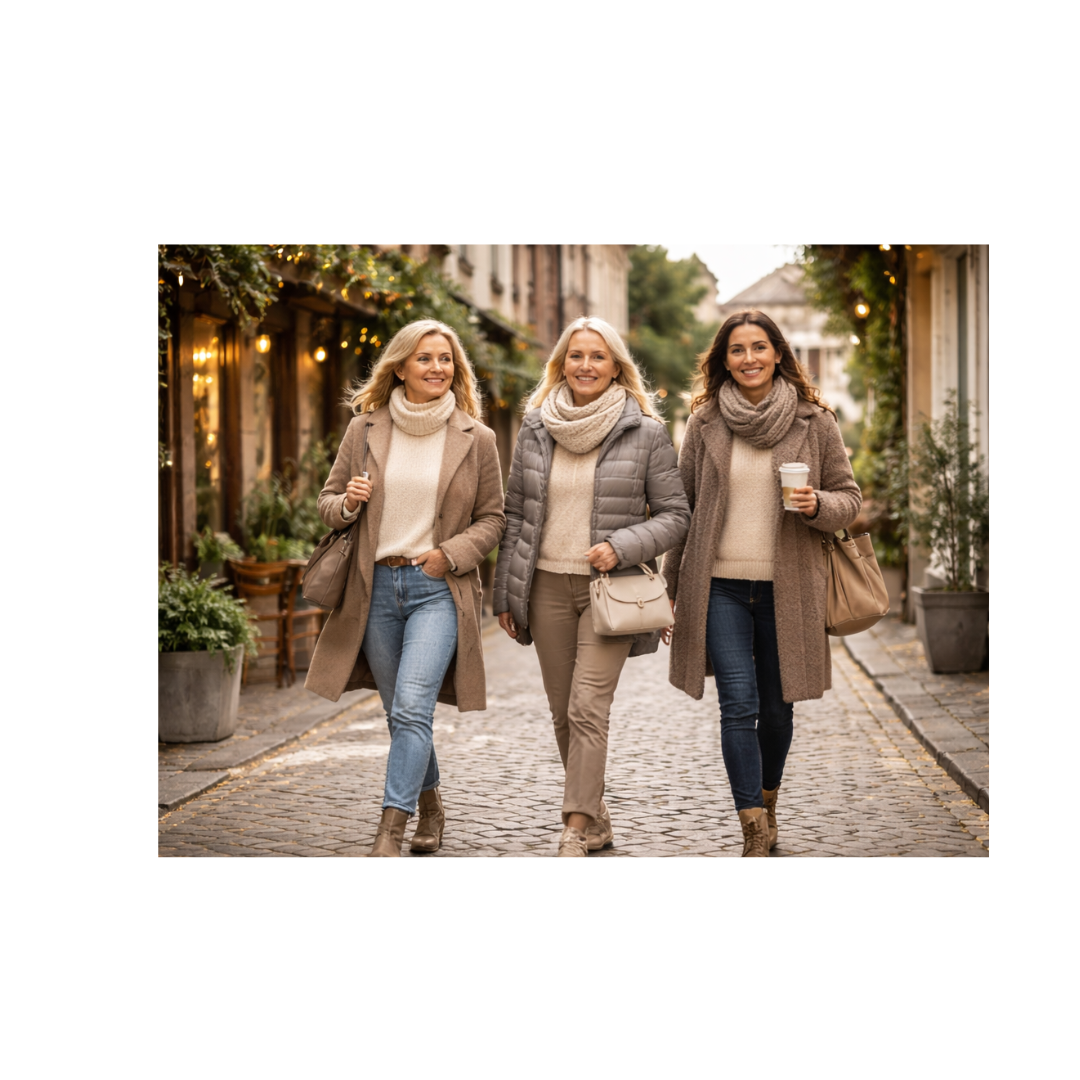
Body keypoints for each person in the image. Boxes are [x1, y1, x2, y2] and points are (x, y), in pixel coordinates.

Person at [664, 310, 861, 856]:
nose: (748, 358)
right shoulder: (704, 422)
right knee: (738, 704)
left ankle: (768, 795)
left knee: (778, 709)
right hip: (720, 585)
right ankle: (751, 822)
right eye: (736, 350)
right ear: (723, 360)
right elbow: (684, 508)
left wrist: (817, 502)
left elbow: (849, 499)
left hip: (788, 587)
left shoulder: (813, 422)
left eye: (758, 347)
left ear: (777, 353)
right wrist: (671, 587)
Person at [305, 319, 505, 857]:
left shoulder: (476, 437)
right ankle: (432, 807)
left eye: (445, 359)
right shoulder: (364, 430)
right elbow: (327, 503)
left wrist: (450, 556)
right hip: (373, 591)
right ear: (400, 367)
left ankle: (389, 831)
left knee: (414, 708)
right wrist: (347, 502)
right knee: (401, 714)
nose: (437, 367)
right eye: (425, 358)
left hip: (436, 588)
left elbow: (493, 519)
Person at [493, 316, 690, 856]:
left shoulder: (645, 431)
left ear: (615, 366)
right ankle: (596, 818)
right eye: (576, 355)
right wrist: (505, 595)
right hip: (545, 586)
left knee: (587, 707)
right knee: (562, 711)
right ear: (562, 363)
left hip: (611, 592)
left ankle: (574, 829)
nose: (586, 365)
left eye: (597, 356)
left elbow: (676, 515)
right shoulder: (534, 427)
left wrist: (622, 546)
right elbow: (515, 517)